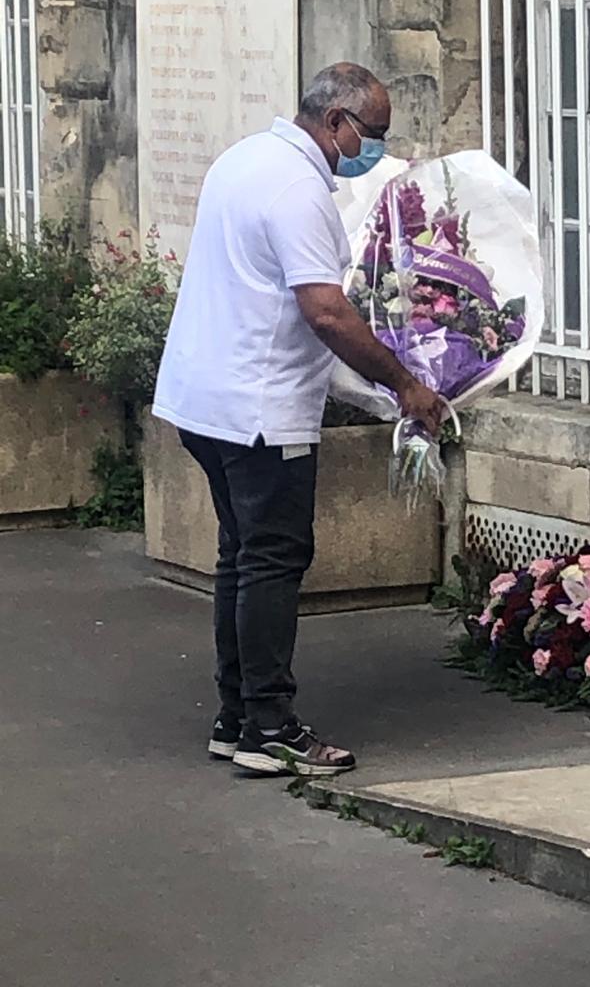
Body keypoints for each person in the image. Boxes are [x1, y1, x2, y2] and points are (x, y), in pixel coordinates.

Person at [152, 62, 443, 776]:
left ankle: (237, 714)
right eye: (371, 133)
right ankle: (270, 726)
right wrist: (404, 383)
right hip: (259, 408)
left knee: (243, 557)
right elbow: (325, 311)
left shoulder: (244, 158)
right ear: (336, 121)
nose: (373, 147)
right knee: (274, 561)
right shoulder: (297, 188)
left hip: (205, 399)